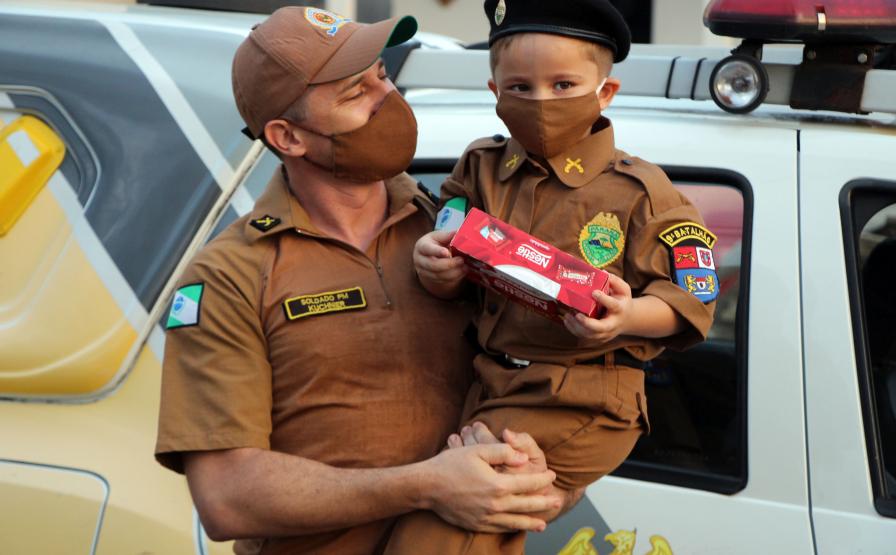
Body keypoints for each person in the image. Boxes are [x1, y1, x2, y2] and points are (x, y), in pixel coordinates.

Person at [154, 6, 568, 554]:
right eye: (355, 93)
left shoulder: (458, 231)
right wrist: (428, 486)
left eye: (381, 75)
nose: (385, 99)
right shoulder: (231, 274)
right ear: (288, 136)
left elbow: (559, 380)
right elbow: (227, 496)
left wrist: (538, 479)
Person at [385, 0, 718, 553]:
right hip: (491, 384)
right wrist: (435, 265)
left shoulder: (641, 192)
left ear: (605, 92)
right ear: (494, 93)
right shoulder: (479, 167)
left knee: (433, 535)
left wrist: (627, 315)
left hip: (583, 396)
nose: (541, 101)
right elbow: (448, 242)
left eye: (564, 85)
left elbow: (692, 298)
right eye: (520, 87)